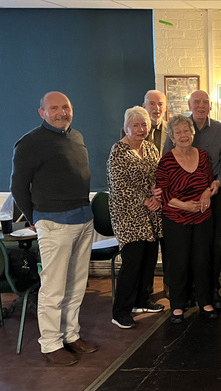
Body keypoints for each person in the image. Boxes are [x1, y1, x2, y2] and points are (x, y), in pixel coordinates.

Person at [11, 91, 98, 366]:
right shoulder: (29, 143)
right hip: (54, 223)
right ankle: (50, 344)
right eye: (55, 108)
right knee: (54, 287)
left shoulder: (76, 137)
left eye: (66, 107)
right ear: (42, 113)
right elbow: (18, 187)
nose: (62, 112)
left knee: (76, 285)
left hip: (83, 219)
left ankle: (71, 335)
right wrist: (36, 219)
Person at [165, 90, 221, 311]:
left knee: (212, 246)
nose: (201, 106)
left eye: (205, 102)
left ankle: (211, 290)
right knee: (184, 248)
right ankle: (187, 293)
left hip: (213, 194)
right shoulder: (178, 127)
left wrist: (216, 183)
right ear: (190, 104)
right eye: (197, 102)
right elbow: (166, 161)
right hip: (182, 200)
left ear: (211, 105)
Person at [156, 115, 219, 324]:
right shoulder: (166, 161)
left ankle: (205, 301)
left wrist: (207, 193)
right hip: (176, 219)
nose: (183, 135)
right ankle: (177, 305)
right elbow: (163, 193)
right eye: (178, 133)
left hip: (202, 217)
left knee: (202, 260)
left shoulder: (203, 156)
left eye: (186, 131)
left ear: (192, 134)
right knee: (179, 262)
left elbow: (209, 181)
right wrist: (185, 205)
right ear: (172, 137)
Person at [108, 106, 164, 329]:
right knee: (132, 262)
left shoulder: (150, 148)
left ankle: (142, 301)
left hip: (151, 212)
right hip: (128, 215)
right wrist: (145, 199)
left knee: (149, 258)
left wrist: (157, 194)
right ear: (126, 128)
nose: (141, 129)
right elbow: (119, 185)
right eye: (136, 125)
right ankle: (120, 311)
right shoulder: (118, 151)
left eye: (144, 125)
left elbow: (159, 175)